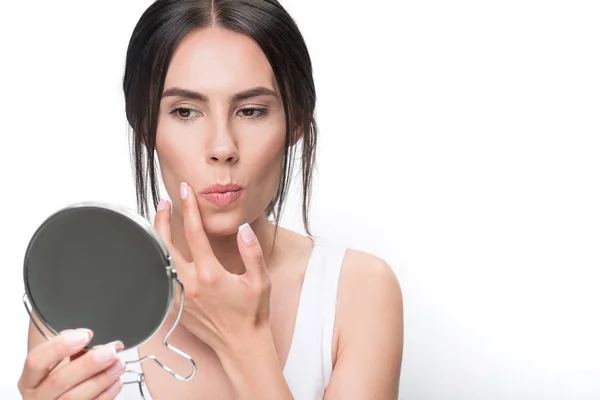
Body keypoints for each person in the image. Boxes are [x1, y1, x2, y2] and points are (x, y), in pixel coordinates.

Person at [17, 0, 404, 399]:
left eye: (251, 111)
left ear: (297, 122)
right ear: (145, 124)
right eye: (185, 112)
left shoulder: (358, 291)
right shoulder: (76, 296)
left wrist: (244, 341)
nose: (222, 147)